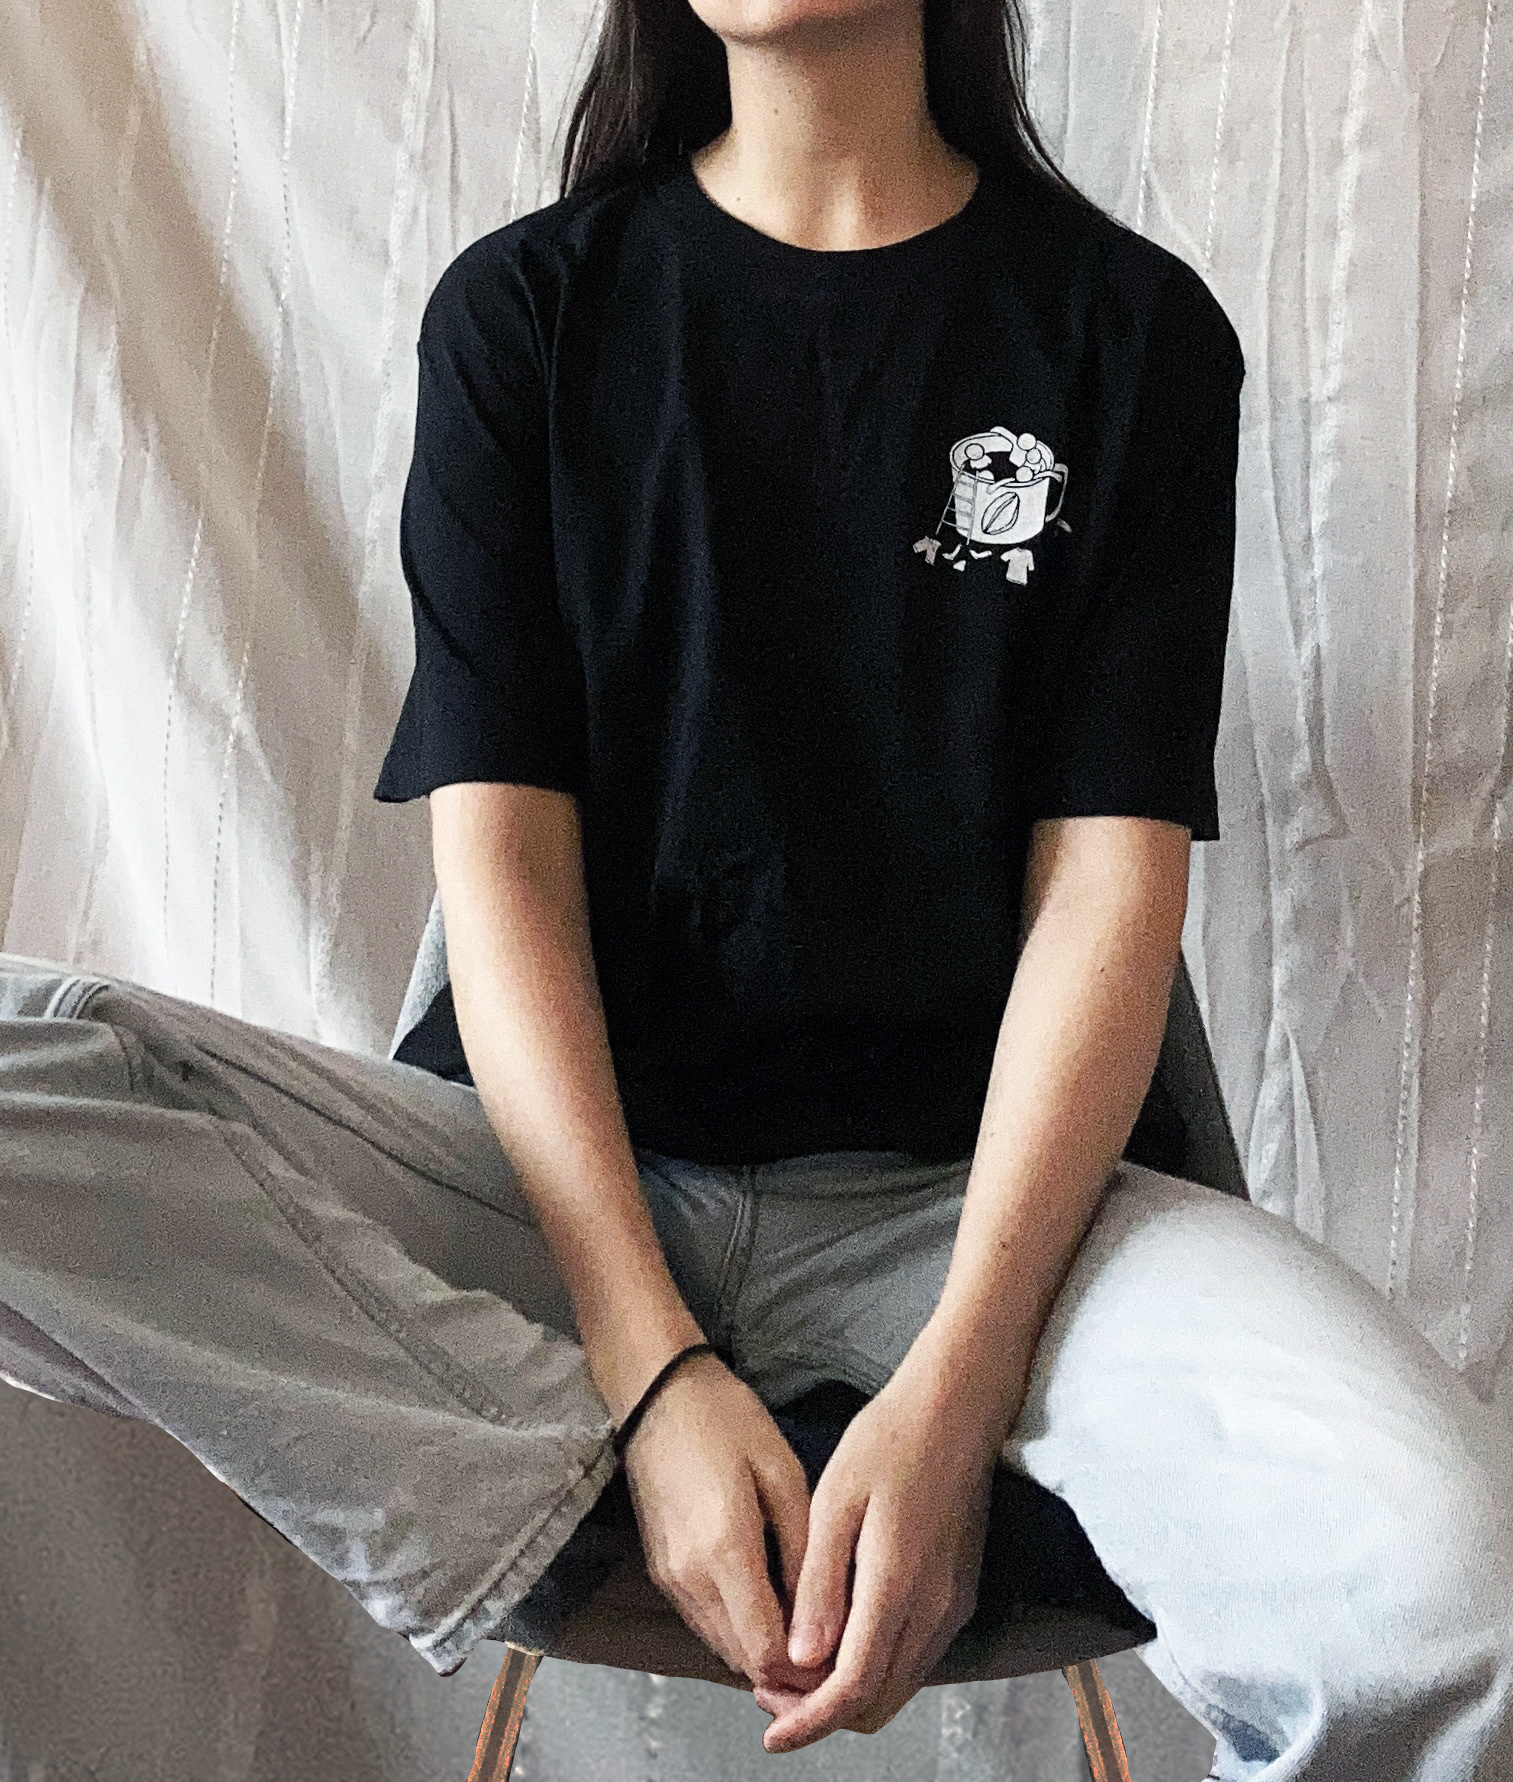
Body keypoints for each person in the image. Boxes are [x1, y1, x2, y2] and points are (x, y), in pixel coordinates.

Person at [2, 3, 1511, 1776]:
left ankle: (532, 1465)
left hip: (993, 1228)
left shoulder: (1124, 332)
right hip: (551, 1208)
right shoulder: (526, 315)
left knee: (1452, 1602)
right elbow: (500, 875)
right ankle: (540, 1466)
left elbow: (1108, 899)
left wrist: (953, 1394)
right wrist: (649, 1374)